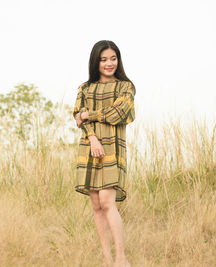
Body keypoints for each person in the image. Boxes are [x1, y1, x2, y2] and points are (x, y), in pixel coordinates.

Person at [72, 40, 136, 267]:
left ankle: (121, 258)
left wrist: (90, 115)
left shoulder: (125, 87)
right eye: (103, 59)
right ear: (95, 61)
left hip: (113, 147)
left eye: (113, 58)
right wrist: (92, 138)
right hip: (90, 147)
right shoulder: (85, 88)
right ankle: (107, 260)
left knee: (108, 201)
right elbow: (78, 115)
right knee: (97, 205)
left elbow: (118, 113)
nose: (109, 63)